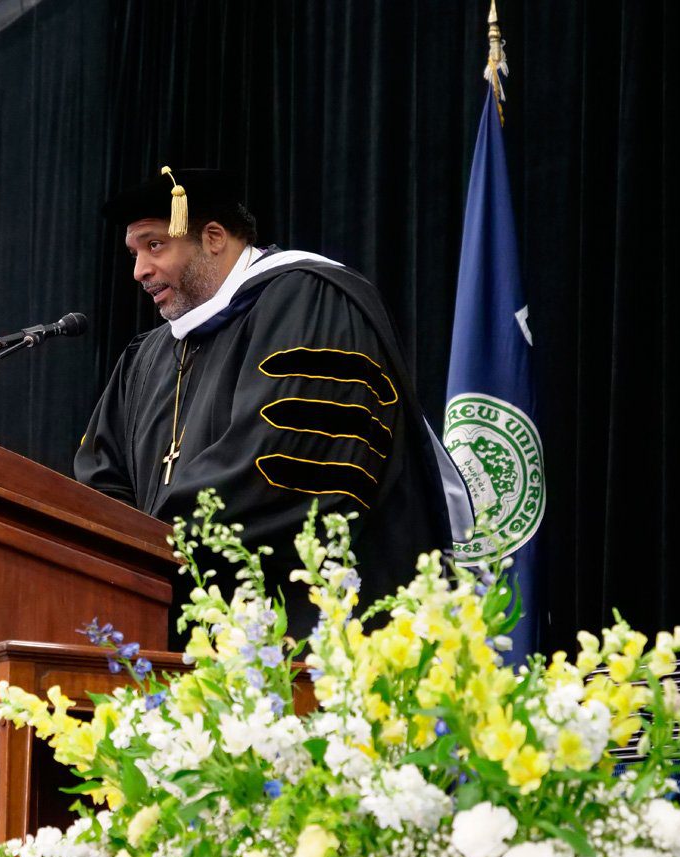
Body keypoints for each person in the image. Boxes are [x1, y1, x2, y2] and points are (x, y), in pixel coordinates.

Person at [75, 167, 469, 640]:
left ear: (214, 237)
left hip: (306, 636)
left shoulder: (310, 301)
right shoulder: (146, 357)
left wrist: (157, 547)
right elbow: (100, 482)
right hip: (176, 636)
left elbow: (284, 464)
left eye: (154, 245)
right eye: (134, 253)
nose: (139, 270)